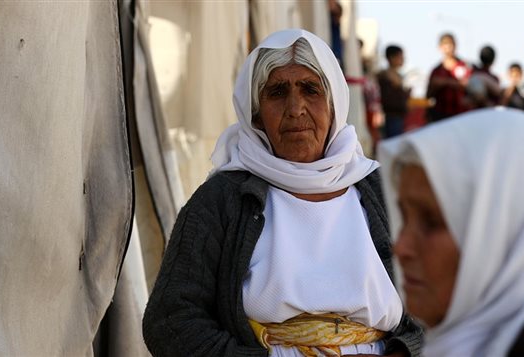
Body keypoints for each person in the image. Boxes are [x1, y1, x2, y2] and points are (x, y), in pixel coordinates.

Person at [143, 29, 423, 357]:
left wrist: (402, 352)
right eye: (277, 92)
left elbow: (443, 298)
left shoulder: (383, 192)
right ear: (256, 115)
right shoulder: (221, 200)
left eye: (311, 89)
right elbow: (170, 321)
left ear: (335, 105)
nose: (295, 108)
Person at [378, 108, 524, 356]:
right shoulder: (466, 339)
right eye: (403, 217)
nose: (400, 247)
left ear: (506, 230)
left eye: (432, 222)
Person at [426, 33, 471, 122]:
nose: (450, 47)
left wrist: (446, 82)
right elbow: (429, 94)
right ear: (440, 47)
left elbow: (469, 85)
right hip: (441, 114)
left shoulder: (464, 66)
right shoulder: (437, 71)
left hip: (461, 114)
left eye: (452, 44)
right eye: (446, 44)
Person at [378, 45, 410, 138]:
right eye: (400, 56)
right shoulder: (385, 76)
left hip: (399, 116)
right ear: (391, 58)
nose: (402, 59)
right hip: (391, 116)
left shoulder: (398, 76)